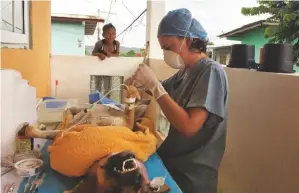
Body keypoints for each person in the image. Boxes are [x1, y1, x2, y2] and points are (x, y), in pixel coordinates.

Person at [129, 8, 228, 193]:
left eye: (168, 47)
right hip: (174, 161)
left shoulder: (211, 72)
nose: (166, 53)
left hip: (193, 174)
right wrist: (141, 84)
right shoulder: (185, 72)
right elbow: (159, 90)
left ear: (188, 40)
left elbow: (189, 127)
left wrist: (154, 86)